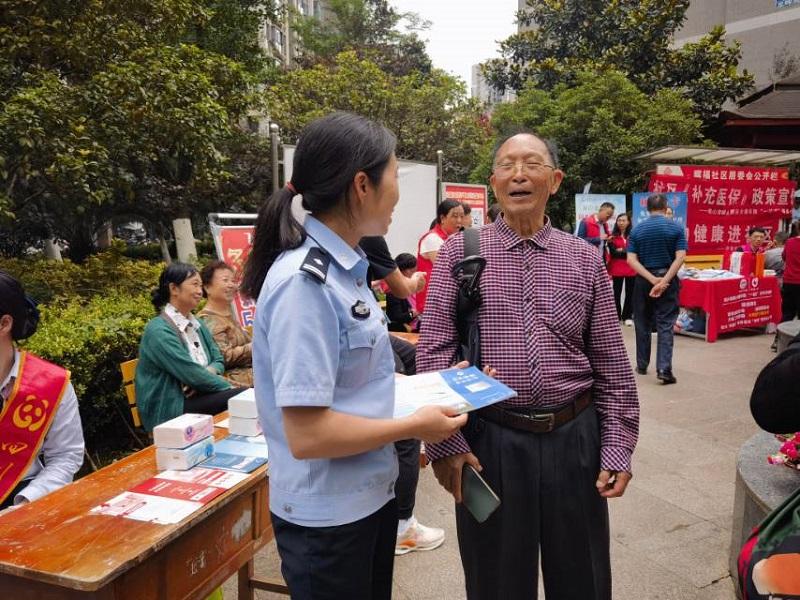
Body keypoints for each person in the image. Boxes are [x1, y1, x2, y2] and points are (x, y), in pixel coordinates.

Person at [240, 112, 466, 600]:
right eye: (394, 176)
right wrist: (414, 426)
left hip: (366, 501)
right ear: (362, 185)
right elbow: (308, 434)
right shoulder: (305, 285)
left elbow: (354, 385)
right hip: (329, 520)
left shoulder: (346, 271)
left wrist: (441, 385)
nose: (398, 193)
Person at [417, 131, 640, 600]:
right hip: (490, 441)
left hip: (575, 440)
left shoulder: (584, 258)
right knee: (495, 581)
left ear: (554, 180)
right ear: (494, 182)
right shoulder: (460, 252)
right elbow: (434, 352)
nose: (518, 174)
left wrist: (618, 446)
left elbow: (612, 364)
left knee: (582, 577)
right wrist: (446, 445)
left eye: (532, 164)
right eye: (507, 165)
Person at [357, 237, 445, 556]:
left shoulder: (348, 244)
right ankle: (402, 526)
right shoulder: (367, 236)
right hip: (366, 337)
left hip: (374, 332)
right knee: (407, 432)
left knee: (418, 361)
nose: (391, 214)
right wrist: (416, 281)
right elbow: (402, 287)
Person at [0, 271, 84, 512]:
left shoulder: (50, 384)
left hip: (22, 500)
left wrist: (23, 505)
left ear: (4, 324)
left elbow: (65, 456)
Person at [136, 262, 244, 431]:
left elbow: (217, 358)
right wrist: (231, 386)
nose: (200, 291)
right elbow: (192, 375)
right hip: (171, 408)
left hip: (201, 394)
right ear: (174, 289)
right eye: (194, 284)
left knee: (245, 396)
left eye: (200, 285)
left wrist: (209, 372)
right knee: (242, 396)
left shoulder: (197, 323)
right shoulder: (158, 330)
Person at [627, 193, 687, 385]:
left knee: (642, 322)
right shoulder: (676, 228)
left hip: (643, 281)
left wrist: (652, 279)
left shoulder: (637, 230)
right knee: (666, 324)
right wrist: (663, 281)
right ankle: (664, 369)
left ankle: (642, 365)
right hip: (667, 280)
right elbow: (680, 257)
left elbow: (631, 260)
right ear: (665, 206)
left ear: (648, 208)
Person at [198, 260, 253, 387]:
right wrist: (253, 347)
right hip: (235, 384)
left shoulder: (228, 317)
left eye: (233, 281)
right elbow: (223, 357)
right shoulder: (207, 319)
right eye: (225, 280)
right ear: (207, 287)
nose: (231, 285)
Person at [416, 199, 464, 313]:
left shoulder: (449, 238)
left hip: (444, 301)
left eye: (462, 216)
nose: (459, 220)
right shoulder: (433, 239)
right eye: (455, 216)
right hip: (432, 303)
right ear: (442, 218)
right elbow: (448, 270)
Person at [607, 213, 636, 325]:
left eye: (624, 220)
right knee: (616, 293)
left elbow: (634, 250)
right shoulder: (612, 236)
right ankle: (616, 316)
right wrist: (625, 251)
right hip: (617, 268)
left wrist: (621, 250)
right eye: (619, 220)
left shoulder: (633, 235)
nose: (621, 223)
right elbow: (614, 253)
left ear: (628, 222)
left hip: (631, 267)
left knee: (630, 293)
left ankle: (627, 316)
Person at [386, 253, 420, 333]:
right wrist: (413, 313)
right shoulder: (394, 292)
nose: (414, 274)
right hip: (406, 329)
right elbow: (397, 318)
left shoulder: (416, 287)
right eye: (412, 271)